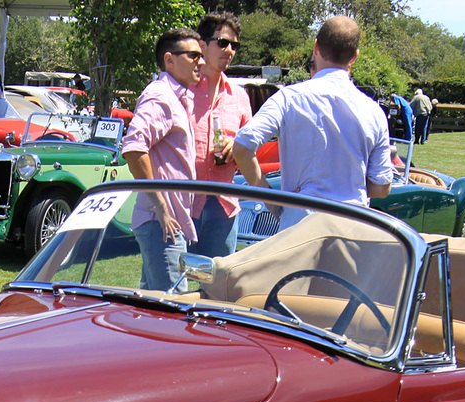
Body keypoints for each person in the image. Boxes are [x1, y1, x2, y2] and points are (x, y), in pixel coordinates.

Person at [233, 16, 393, 229]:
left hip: (299, 225)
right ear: (354, 57)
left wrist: (274, 203)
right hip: (353, 226)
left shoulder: (288, 98)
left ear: (316, 47)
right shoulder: (374, 111)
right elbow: (382, 187)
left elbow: (242, 147)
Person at [120, 27, 205, 289]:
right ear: (170, 60)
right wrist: (160, 206)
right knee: (172, 309)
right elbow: (134, 148)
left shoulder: (176, 98)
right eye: (193, 55)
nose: (200, 62)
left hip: (167, 222)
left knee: (152, 309)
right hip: (162, 223)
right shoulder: (161, 96)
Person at [189, 11, 253, 257]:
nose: (229, 50)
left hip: (224, 206)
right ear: (202, 45)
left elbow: (250, 147)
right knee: (173, 286)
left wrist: (235, 147)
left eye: (234, 45)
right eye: (223, 42)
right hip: (183, 204)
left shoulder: (239, 96)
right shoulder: (181, 90)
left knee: (217, 285)